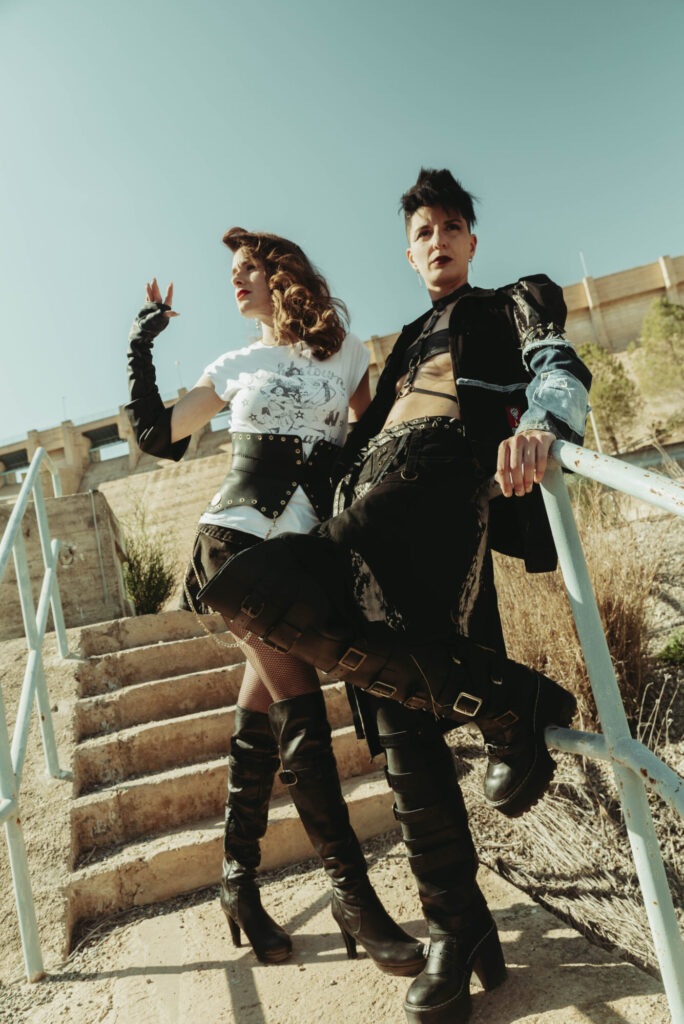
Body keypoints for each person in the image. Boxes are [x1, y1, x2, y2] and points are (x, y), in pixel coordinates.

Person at [197, 171, 592, 1023]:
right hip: (370, 496)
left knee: (297, 600)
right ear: (409, 254)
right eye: (423, 232)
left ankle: (514, 705)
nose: (438, 240)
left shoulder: (513, 299)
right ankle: (459, 923)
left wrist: (541, 426)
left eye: (451, 227)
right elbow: (349, 438)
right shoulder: (406, 338)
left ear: (471, 241)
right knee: (386, 694)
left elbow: (558, 367)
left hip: (436, 484)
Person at [124, 228, 426, 976]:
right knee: (300, 704)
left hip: (303, 556)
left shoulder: (346, 353)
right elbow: (158, 435)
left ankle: (237, 881)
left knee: (259, 709)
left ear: (282, 275)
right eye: (232, 273)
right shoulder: (234, 365)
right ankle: (354, 895)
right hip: (233, 546)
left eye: (248, 269)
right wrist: (141, 344)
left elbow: (369, 444)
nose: (236, 282)